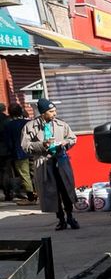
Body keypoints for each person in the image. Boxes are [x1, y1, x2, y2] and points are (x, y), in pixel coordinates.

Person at [21, 98, 79, 229]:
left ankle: (70, 216)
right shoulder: (30, 127)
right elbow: (25, 146)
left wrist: (66, 143)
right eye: (51, 111)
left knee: (66, 189)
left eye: (55, 111)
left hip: (61, 160)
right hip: (43, 163)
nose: (55, 114)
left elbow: (72, 138)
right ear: (43, 113)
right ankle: (60, 219)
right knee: (51, 192)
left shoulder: (61, 124)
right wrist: (42, 145)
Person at [4, 103, 35, 202]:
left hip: (19, 153)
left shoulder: (8, 125)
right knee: (35, 172)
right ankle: (38, 192)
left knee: (24, 174)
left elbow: (8, 141)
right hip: (32, 150)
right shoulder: (28, 123)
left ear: (10, 113)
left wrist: (11, 151)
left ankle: (31, 196)